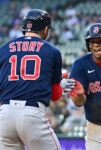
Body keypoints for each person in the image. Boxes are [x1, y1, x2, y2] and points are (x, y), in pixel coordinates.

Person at [0, 9, 63, 150]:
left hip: (4, 115)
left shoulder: (3, 49)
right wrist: (61, 83)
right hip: (31, 113)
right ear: (45, 29)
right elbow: (55, 95)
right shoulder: (52, 51)